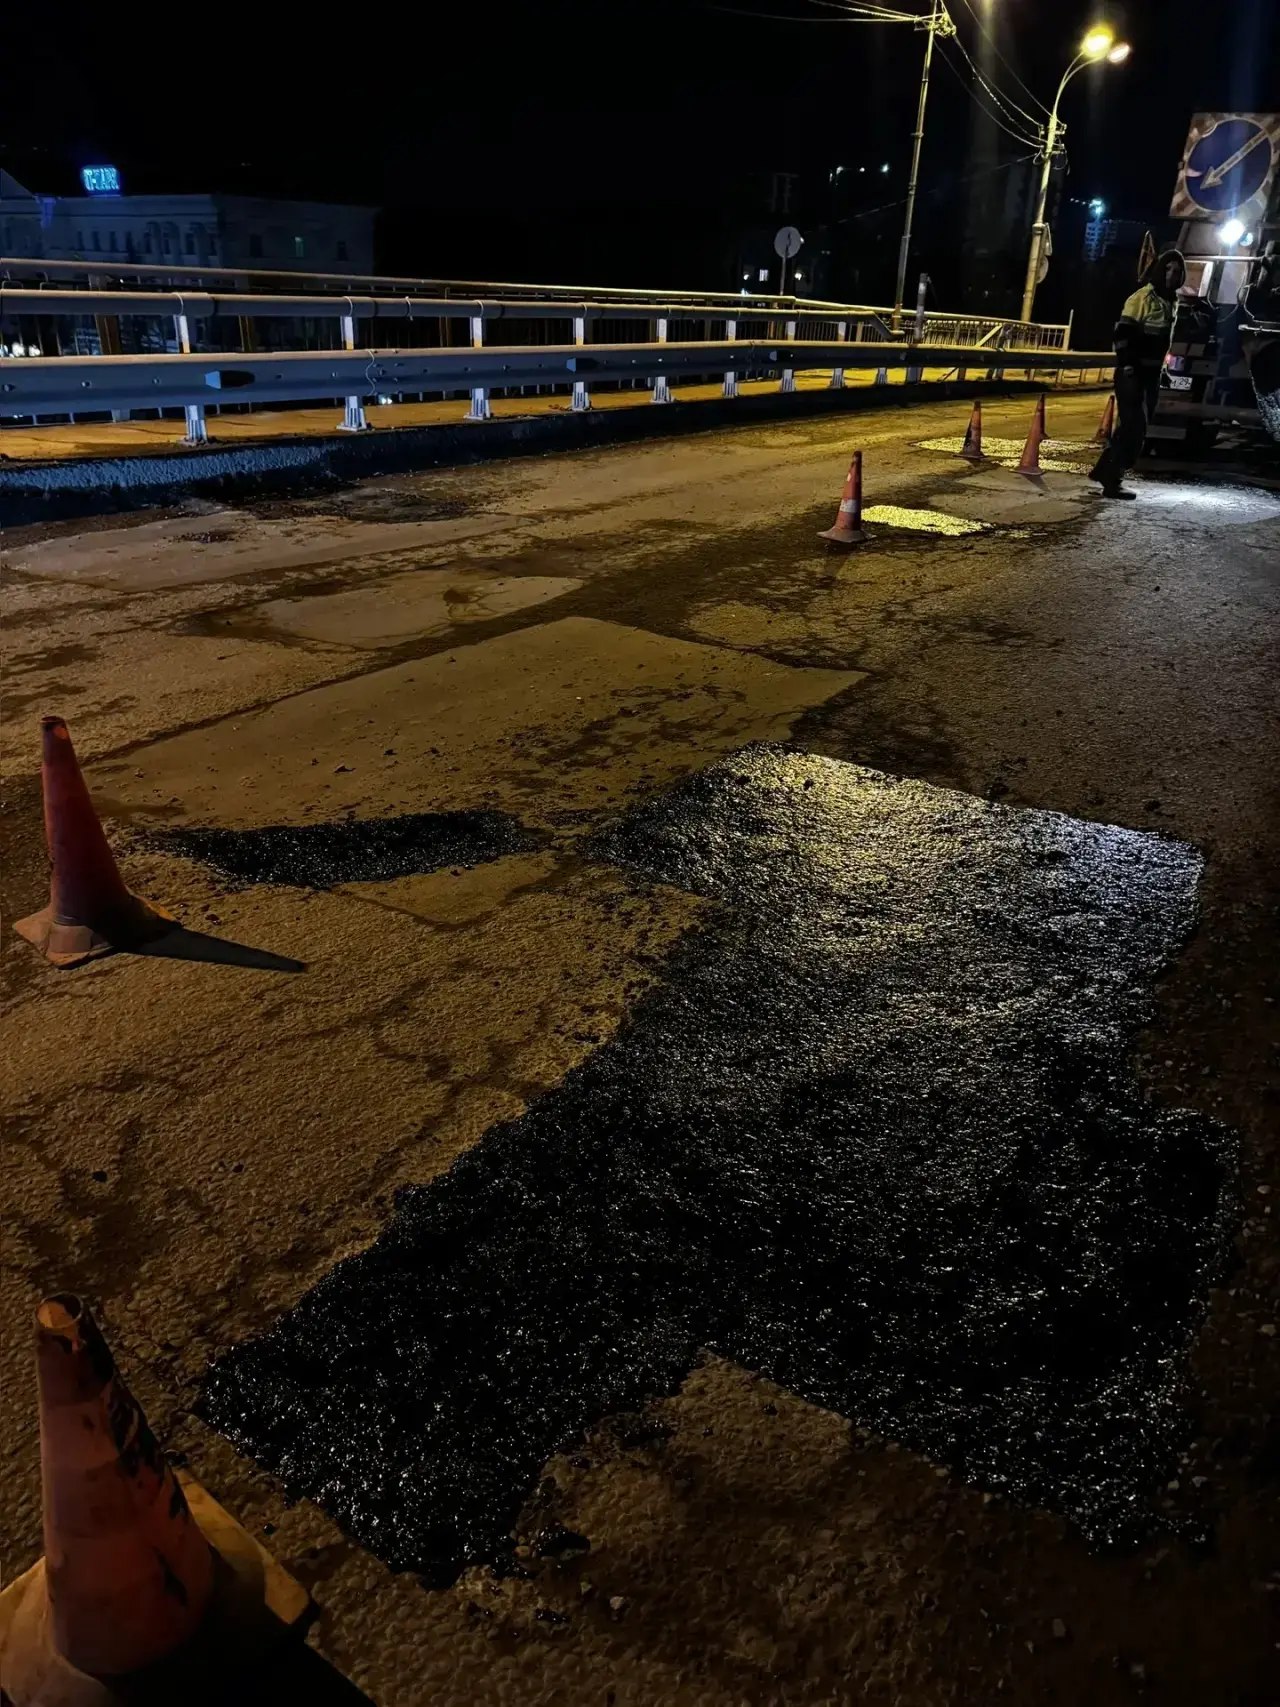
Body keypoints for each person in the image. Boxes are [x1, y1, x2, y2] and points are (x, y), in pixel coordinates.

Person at [1089, 248, 1187, 499]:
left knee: (1133, 427)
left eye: (1177, 271)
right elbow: (1122, 335)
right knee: (1134, 428)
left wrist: (1162, 369)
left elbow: (1162, 341)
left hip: (1151, 375)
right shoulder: (1142, 298)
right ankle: (1113, 480)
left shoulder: (1171, 301)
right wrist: (1128, 365)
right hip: (1133, 373)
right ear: (1159, 271)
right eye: (1168, 269)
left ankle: (1104, 470)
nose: (1172, 275)